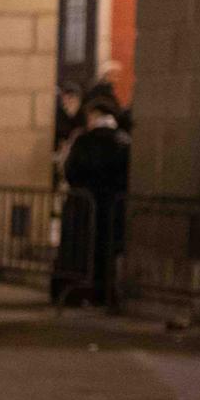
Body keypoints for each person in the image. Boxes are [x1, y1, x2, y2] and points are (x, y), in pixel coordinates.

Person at [57, 97, 131, 309]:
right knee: (108, 251)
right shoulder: (124, 141)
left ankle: (81, 291)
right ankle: (107, 292)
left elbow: (71, 171)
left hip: (84, 209)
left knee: (84, 253)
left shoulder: (84, 141)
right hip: (112, 209)